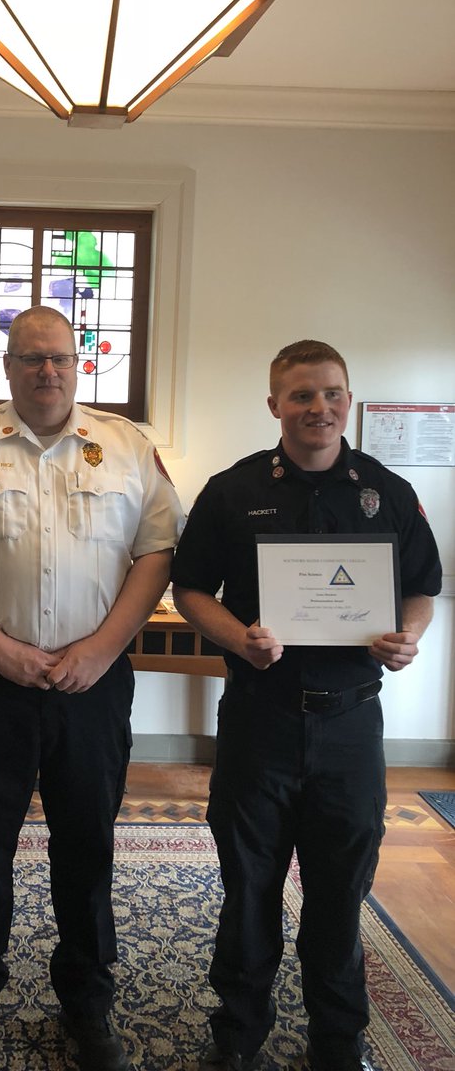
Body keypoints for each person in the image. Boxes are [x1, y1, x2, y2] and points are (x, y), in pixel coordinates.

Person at [0, 305, 183, 1071]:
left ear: (79, 361)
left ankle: (87, 1006)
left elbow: (157, 553)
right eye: (30, 359)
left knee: (87, 848)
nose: (46, 371)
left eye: (58, 358)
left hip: (94, 683)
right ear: (9, 365)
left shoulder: (127, 447)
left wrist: (100, 648)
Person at [171, 340, 442, 1071]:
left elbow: (422, 585)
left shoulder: (386, 490)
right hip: (261, 714)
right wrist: (240, 638)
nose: (318, 408)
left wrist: (407, 637)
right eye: (300, 395)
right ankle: (238, 1032)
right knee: (249, 884)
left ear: (348, 399)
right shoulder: (232, 491)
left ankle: (337, 1039)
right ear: (274, 406)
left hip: (353, 722)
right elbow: (189, 588)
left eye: (330, 393)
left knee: (339, 890)